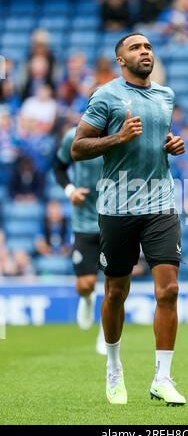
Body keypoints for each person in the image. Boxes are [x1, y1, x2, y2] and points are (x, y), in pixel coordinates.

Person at [71, 33, 186, 406]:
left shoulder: (165, 96)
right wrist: (117, 138)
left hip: (161, 203)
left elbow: (157, 139)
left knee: (168, 290)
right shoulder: (106, 95)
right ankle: (114, 369)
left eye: (149, 47)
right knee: (115, 292)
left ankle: (163, 378)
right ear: (121, 60)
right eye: (136, 48)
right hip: (118, 206)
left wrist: (172, 144)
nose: (145, 52)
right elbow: (78, 147)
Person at [54, 127, 106, 355]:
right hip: (84, 222)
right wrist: (70, 190)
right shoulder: (73, 136)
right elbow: (59, 166)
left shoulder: (123, 135)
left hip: (115, 220)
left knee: (116, 286)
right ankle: (87, 299)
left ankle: (107, 333)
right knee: (85, 285)